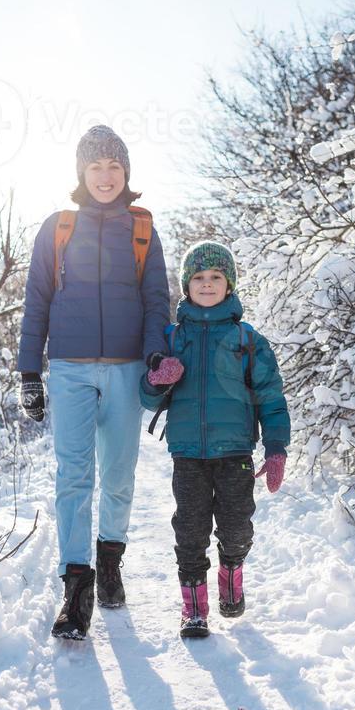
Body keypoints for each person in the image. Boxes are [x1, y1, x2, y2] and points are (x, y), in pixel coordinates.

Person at [18, 125, 170, 640]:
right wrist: (29, 372)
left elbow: (157, 301)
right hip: (70, 368)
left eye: (115, 166)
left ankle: (110, 562)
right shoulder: (58, 227)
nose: (105, 176)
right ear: (81, 172)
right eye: (96, 166)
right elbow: (36, 301)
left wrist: (155, 353)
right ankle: (76, 589)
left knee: (121, 473)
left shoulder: (142, 228)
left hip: (127, 368)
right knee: (74, 477)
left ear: (126, 172)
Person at [140, 241, 290, 638]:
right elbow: (147, 395)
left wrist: (276, 449)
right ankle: (194, 609)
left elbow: (271, 398)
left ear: (230, 284)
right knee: (189, 530)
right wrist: (157, 379)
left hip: (235, 451)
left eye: (216, 277)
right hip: (187, 452)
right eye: (199, 278)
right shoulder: (172, 339)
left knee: (237, 527)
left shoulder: (247, 340)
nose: (207, 284)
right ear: (187, 285)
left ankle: (231, 573)